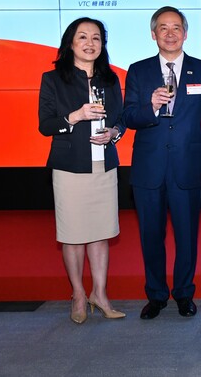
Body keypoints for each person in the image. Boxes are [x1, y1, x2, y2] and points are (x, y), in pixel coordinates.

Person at [123, 6, 201, 320]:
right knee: (150, 235)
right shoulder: (138, 71)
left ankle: (183, 293)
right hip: (148, 168)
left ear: (185, 33)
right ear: (153, 34)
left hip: (189, 166)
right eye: (163, 28)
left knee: (186, 235)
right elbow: (128, 117)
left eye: (176, 27)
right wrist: (150, 106)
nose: (170, 33)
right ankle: (156, 295)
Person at [38, 17, 126, 324]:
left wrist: (113, 132)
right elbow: (46, 125)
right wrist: (75, 116)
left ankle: (99, 294)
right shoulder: (53, 79)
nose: (90, 43)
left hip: (104, 166)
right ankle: (77, 294)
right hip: (70, 168)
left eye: (97, 38)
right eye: (83, 37)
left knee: (101, 233)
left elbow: (121, 119)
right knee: (74, 235)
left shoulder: (110, 79)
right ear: (70, 43)